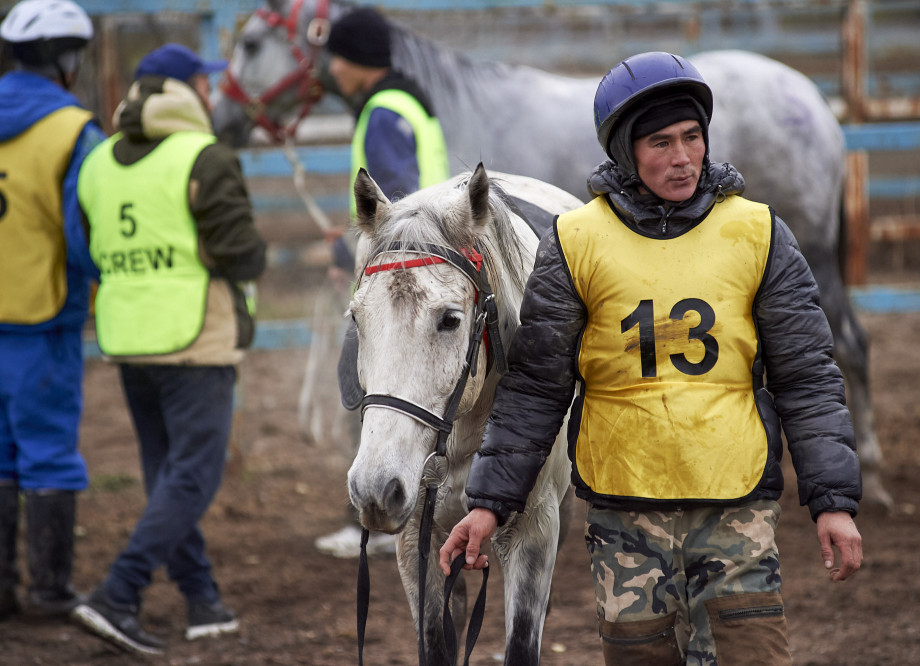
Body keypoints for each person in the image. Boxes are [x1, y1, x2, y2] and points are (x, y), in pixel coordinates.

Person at [440, 51, 863, 665]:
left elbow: (808, 379)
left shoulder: (760, 234)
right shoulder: (576, 242)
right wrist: (489, 504)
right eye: (660, 142)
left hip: (736, 512)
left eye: (692, 137)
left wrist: (834, 502)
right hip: (624, 523)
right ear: (624, 152)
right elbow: (536, 388)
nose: (682, 157)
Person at [69, 43, 267, 656]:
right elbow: (244, 254)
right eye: (204, 86)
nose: (212, 95)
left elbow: (85, 244)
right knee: (195, 474)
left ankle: (201, 598)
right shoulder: (203, 157)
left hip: (128, 336)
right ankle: (118, 591)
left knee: (166, 471)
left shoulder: (99, 160)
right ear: (186, 93)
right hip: (195, 337)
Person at [312, 5, 450, 558]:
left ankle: (372, 513)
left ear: (357, 61)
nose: (332, 70)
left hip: (400, 283)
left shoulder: (382, 111)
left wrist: (362, 261)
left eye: (337, 58)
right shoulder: (408, 102)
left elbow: (393, 206)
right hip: (424, 271)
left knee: (372, 387)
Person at [0, 0, 104, 622]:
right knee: (48, 454)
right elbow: (80, 237)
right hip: (43, 317)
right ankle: (49, 591)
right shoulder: (74, 133)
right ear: (67, 60)